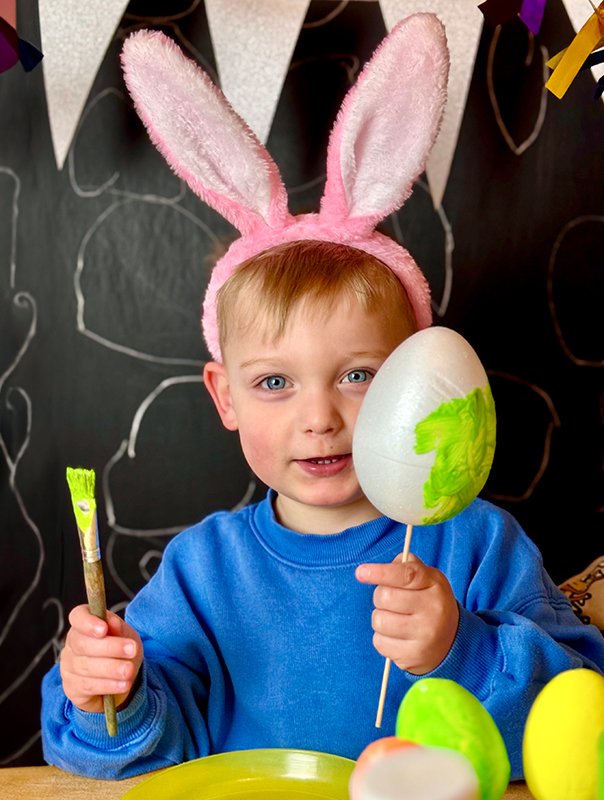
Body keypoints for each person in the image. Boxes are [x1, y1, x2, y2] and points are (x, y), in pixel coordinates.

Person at [41, 14, 604, 781]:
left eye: (358, 375)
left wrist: (460, 648)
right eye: (274, 383)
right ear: (225, 397)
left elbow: (579, 717)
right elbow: (135, 752)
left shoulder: (475, 544)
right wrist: (109, 694)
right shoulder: (204, 572)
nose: (319, 418)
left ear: (414, 378)